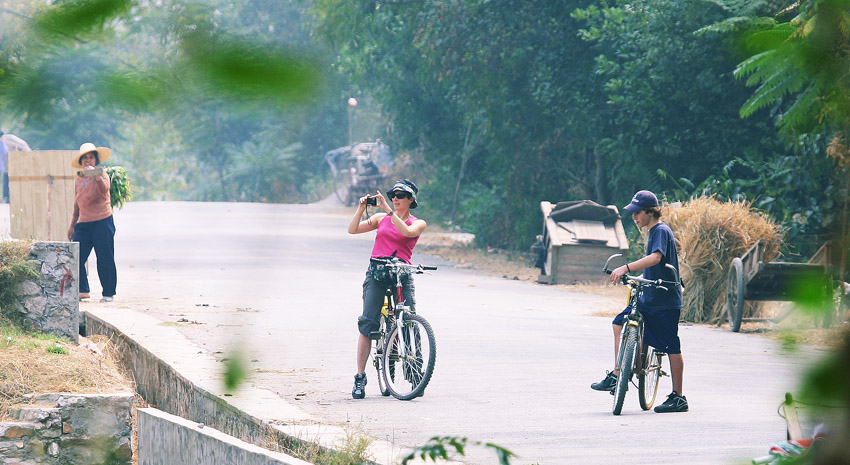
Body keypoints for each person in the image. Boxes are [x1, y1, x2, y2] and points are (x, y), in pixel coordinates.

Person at [590, 190, 687, 413]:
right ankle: (617, 374)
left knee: (671, 345)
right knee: (618, 323)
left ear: (651, 212)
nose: (634, 217)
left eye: (637, 213)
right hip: (650, 297)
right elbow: (654, 268)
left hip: (665, 300)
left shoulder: (660, 230)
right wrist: (638, 278)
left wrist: (625, 267)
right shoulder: (653, 231)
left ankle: (679, 397)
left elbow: (656, 258)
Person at [347, 179, 427, 399]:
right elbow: (352, 229)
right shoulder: (381, 218)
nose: (396, 199)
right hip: (377, 273)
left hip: (401, 273)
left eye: (401, 196)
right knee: (367, 323)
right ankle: (360, 377)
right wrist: (361, 209)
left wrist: (388, 210)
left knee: (410, 319)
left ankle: (414, 371)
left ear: (411, 200)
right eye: (393, 195)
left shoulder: (417, 222)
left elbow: (407, 233)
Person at [67, 142, 117, 303]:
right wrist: (72, 224)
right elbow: (77, 203)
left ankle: (108, 292)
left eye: (91, 158)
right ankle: (83, 290)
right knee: (76, 257)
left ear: (96, 161)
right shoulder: (79, 179)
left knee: (105, 257)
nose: (88, 161)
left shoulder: (102, 174)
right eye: (85, 158)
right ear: (81, 161)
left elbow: (104, 190)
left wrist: (95, 175)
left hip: (103, 221)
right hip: (84, 223)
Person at [0, 131, 8, 204]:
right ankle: (2, 198)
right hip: (1, 167)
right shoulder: (1, 144)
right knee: (1, 183)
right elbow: (5, 155)